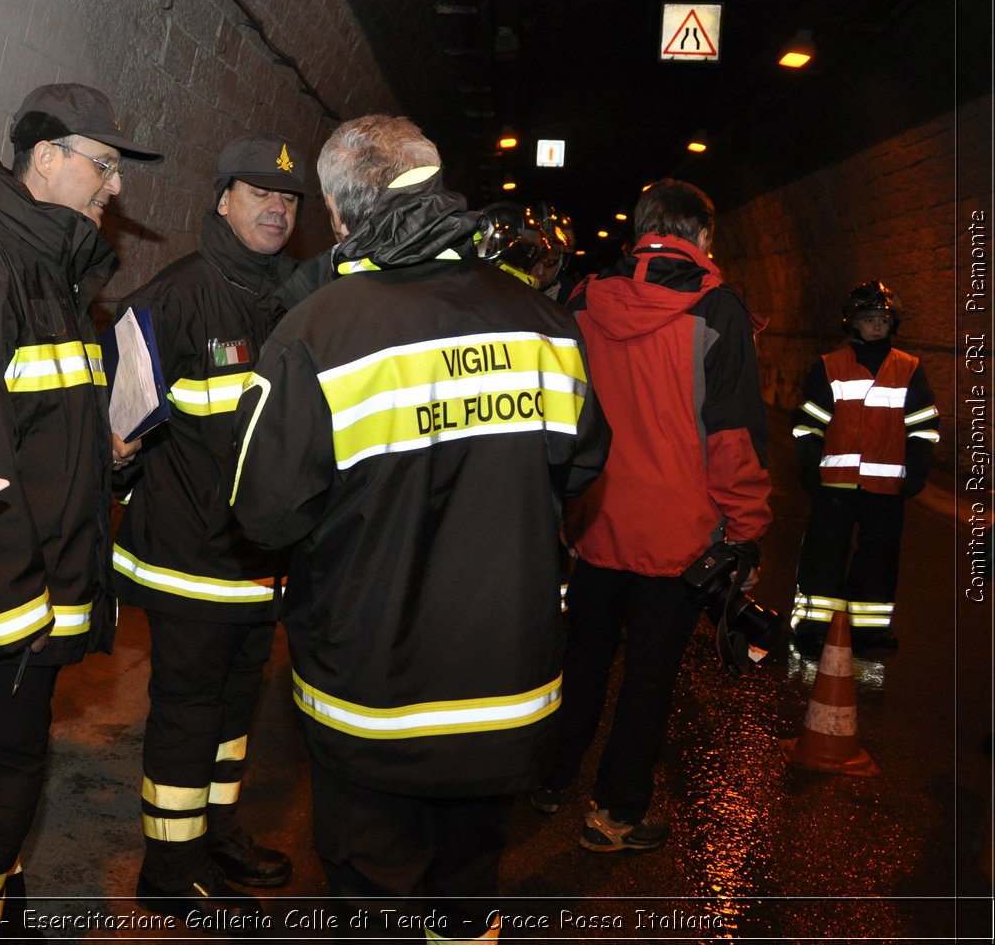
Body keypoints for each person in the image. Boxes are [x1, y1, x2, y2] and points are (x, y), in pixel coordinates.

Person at [230, 115, 609, 940]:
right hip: (506, 685)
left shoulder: (318, 332)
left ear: (336, 213)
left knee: (373, 897)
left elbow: (264, 513)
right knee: (467, 896)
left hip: (373, 695)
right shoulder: (541, 321)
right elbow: (583, 465)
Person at [0, 83, 162, 938]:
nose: (113, 186)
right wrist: (14, 608)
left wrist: (105, 456)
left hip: (33, 580)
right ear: (45, 158)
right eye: (105, 163)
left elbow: (38, 425)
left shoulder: (51, 266)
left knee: (13, 762)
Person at [531, 178, 773, 853]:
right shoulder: (718, 311)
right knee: (647, 678)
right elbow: (733, 442)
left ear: (640, 230)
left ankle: (550, 776)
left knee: (580, 659)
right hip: (678, 540)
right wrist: (748, 530)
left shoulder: (583, 299)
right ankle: (614, 812)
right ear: (700, 236)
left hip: (594, 522)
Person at [110, 133, 306, 923]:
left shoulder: (295, 299)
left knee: (233, 712)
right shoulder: (170, 299)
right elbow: (118, 430)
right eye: (260, 193)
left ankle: (217, 831)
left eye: (289, 199)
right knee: (188, 714)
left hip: (259, 565)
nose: (277, 208)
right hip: (187, 563)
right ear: (223, 200)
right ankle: (168, 865)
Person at [790, 280, 939, 654]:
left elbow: (922, 426)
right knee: (824, 557)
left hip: (887, 488)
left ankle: (868, 631)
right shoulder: (830, 366)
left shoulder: (908, 368)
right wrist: (809, 465)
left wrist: (918, 468)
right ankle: (813, 626)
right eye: (869, 318)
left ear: (893, 324)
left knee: (879, 560)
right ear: (852, 323)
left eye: (883, 320)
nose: (876, 325)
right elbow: (810, 423)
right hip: (835, 484)